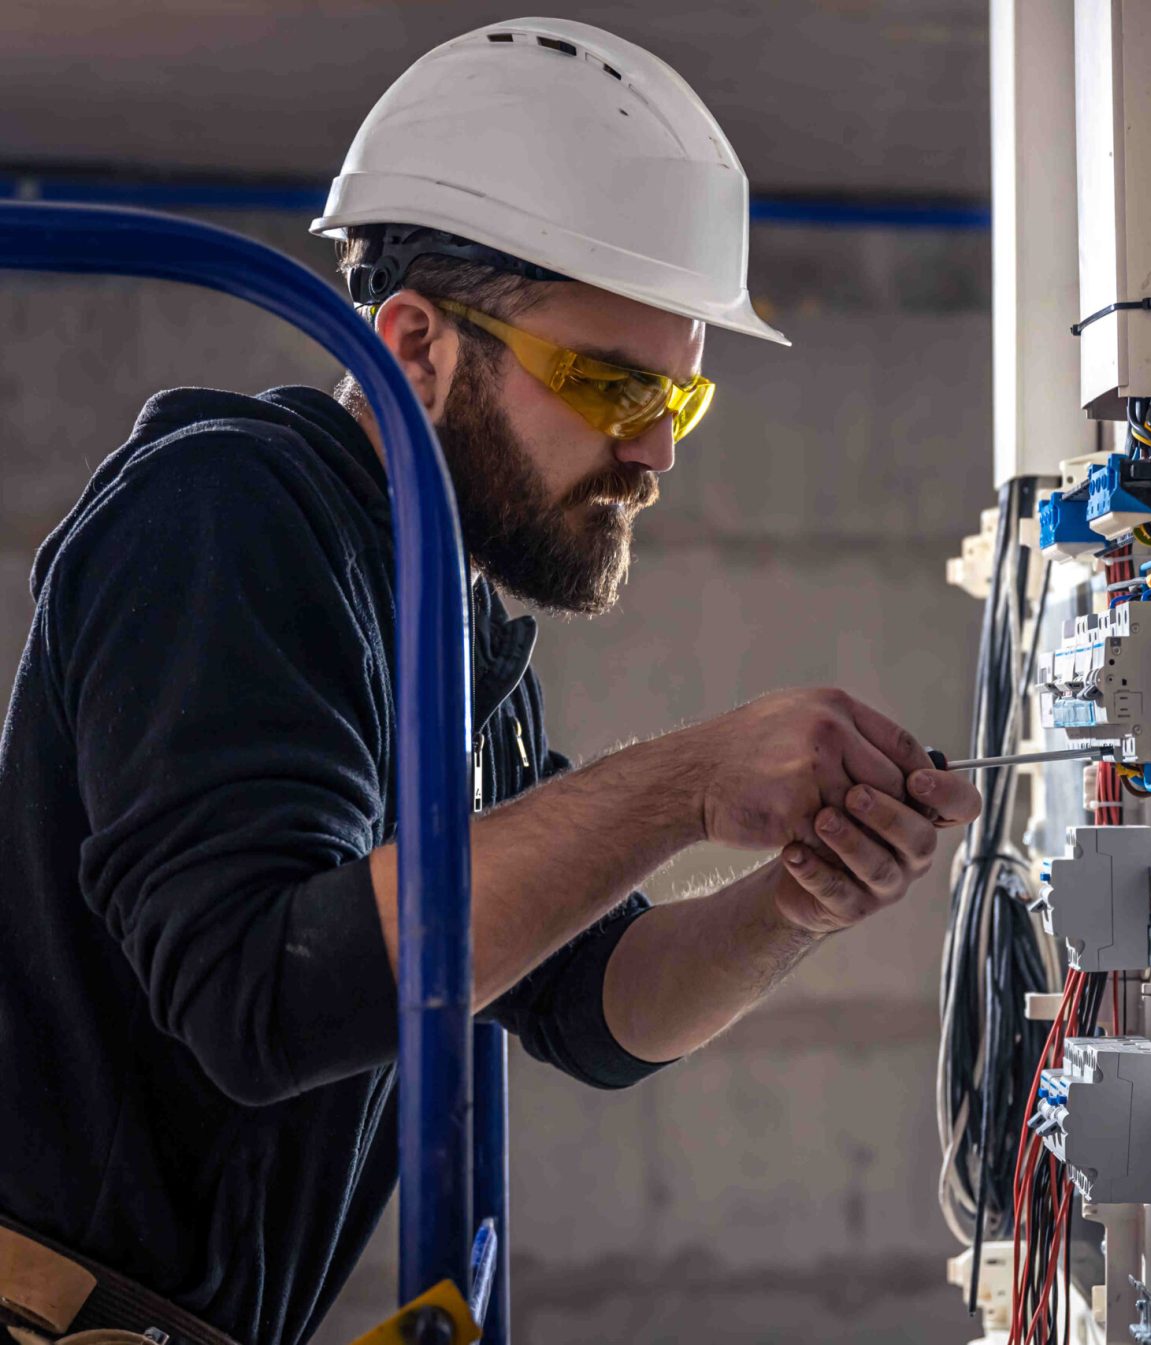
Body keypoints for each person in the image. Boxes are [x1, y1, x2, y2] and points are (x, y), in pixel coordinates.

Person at [0, 19, 980, 1345]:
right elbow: (264, 993)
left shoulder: (445, 619)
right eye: (612, 383)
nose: (652, 451)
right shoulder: (223, 519)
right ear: (414, 346)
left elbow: (592, 1004)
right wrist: (689, 779)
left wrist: (797, 894)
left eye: (679, 403)